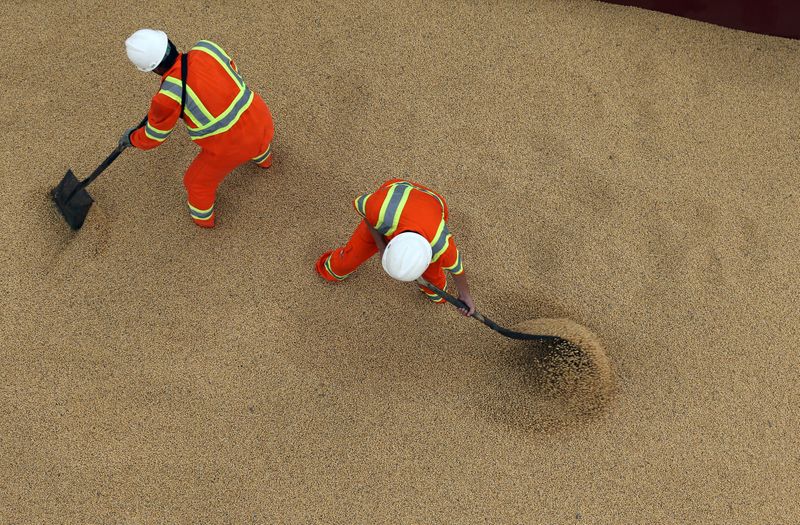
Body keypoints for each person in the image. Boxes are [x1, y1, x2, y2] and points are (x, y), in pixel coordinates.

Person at [121, 29, 274, 228]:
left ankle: (204, 221)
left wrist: (132, 138)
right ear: (169, 42)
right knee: (258, 140)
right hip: (260, 117)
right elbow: (232, 70)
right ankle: (265, 160)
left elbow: (154, 137)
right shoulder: (207, 48)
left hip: (231, 147)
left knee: (196, 183)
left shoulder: (167, 96)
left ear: (153, 69)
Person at [315, 178, 476, 316]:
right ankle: (330, 268)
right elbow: (364, 210)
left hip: (434, 203)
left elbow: (457, 269)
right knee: (341, 266)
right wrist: (381, 246)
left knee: (437, 292)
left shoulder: (442, 245)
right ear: (391, 240)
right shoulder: (378, 208)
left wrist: (465, 295)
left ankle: (432, 291)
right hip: (394, 198)